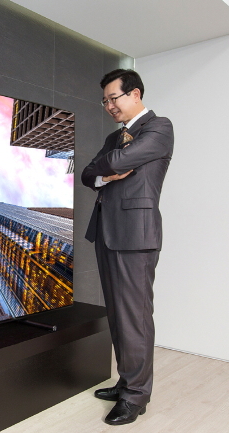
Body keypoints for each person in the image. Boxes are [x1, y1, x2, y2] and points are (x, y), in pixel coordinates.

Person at [81, 69, 174, 425]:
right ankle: (126, 381)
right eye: (104, 100)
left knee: (134, 316)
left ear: (134, 94)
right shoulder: (115, 136)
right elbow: (90, 174)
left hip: (136, 235)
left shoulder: (158, 127)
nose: (108, 105)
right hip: (107, 232)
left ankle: (136, 396)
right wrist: (105, 172)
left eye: (113, 98)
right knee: (119, 316)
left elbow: (117, 162)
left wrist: (110, 166)